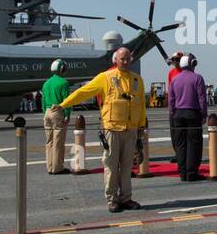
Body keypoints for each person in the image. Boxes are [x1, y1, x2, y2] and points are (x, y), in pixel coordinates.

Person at [50, 47, 146, 213]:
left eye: (128, 59)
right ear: (115, 60)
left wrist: (141, 128)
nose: (125, 61)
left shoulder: (137, 80)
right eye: (122, 59)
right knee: (110, 164)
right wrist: (63, 104)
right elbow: (83, 92)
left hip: (130, 130)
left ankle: (126, 198)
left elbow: (142, 106)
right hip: (112, 129)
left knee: (127, 165)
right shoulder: (105, 78)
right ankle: (112, 199)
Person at [168, 53, 208, 181]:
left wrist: (173, 113)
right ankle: (191, 173)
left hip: (178, 114)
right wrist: (203, 114)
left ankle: (182, 171)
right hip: (192, 113)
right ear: (192, 64)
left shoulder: (175, 79)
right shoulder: (198, 78)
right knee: (194, 144)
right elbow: (202, 98)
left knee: (180, 144)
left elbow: (171, 99)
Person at [40, 59, 72, 175]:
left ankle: (50, 167)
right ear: (62, 69)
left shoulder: (46, 83)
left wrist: (45, 113)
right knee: (58, 141)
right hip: (57, 111)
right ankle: (57, 168)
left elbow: (43, 101)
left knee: (49, 142)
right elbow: (67, 101)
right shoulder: (63, 83)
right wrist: (67, 115)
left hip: (47, 112)